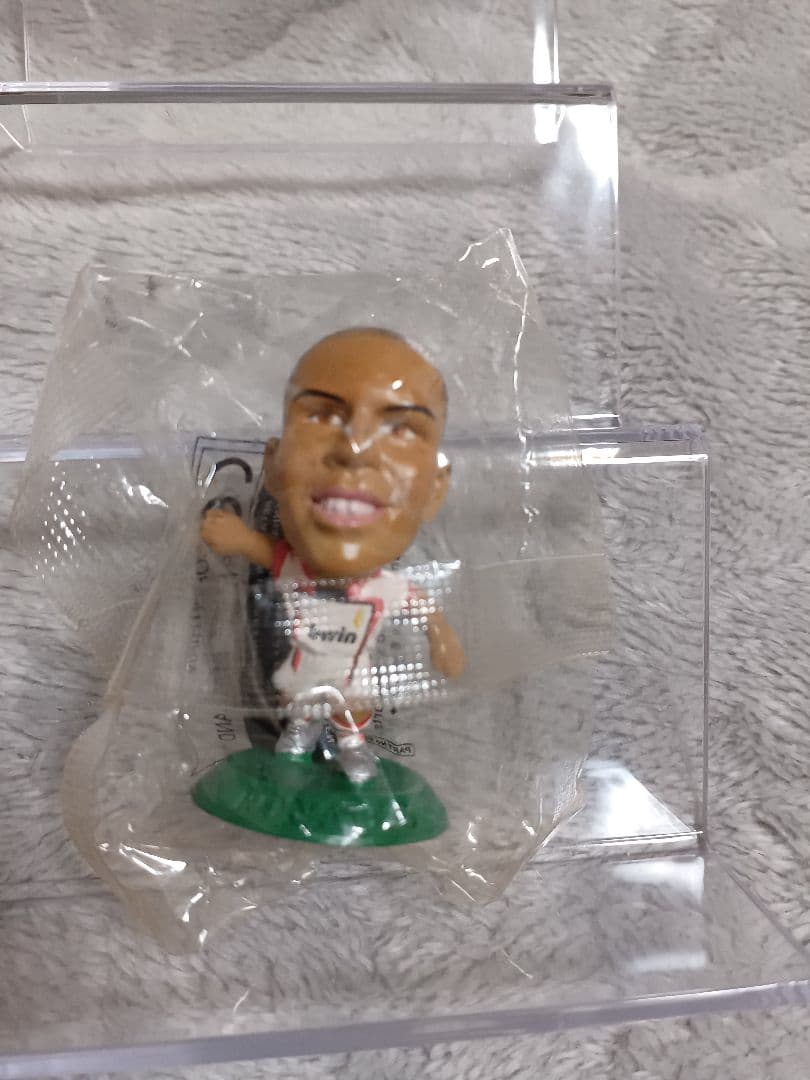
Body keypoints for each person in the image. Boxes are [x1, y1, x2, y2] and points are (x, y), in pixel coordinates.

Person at [200, 326, 464, 783]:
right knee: (301, 711)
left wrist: (443, 639)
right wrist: (239, 538)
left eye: (400, 429)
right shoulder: (296, 570)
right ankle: (296, 746)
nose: (355, 449)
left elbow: (423, 609)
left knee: (349, 717)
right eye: (322, 417)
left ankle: (353, 754)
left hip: (350, 682)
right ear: (272, 466)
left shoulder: (384, 589)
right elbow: (266, 551)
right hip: (303, 672)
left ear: (435, 490)